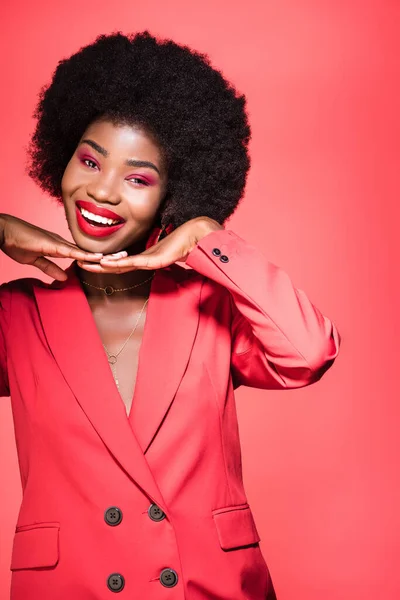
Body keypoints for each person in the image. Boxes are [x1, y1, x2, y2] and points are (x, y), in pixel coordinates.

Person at [0, 31, 341, 600]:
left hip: (209, 587)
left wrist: (207, 238)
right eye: (90, 160)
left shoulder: (209, 302)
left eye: (138, 179)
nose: (103, 191)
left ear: (172, 197)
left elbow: (308, 353)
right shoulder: (17, 315)